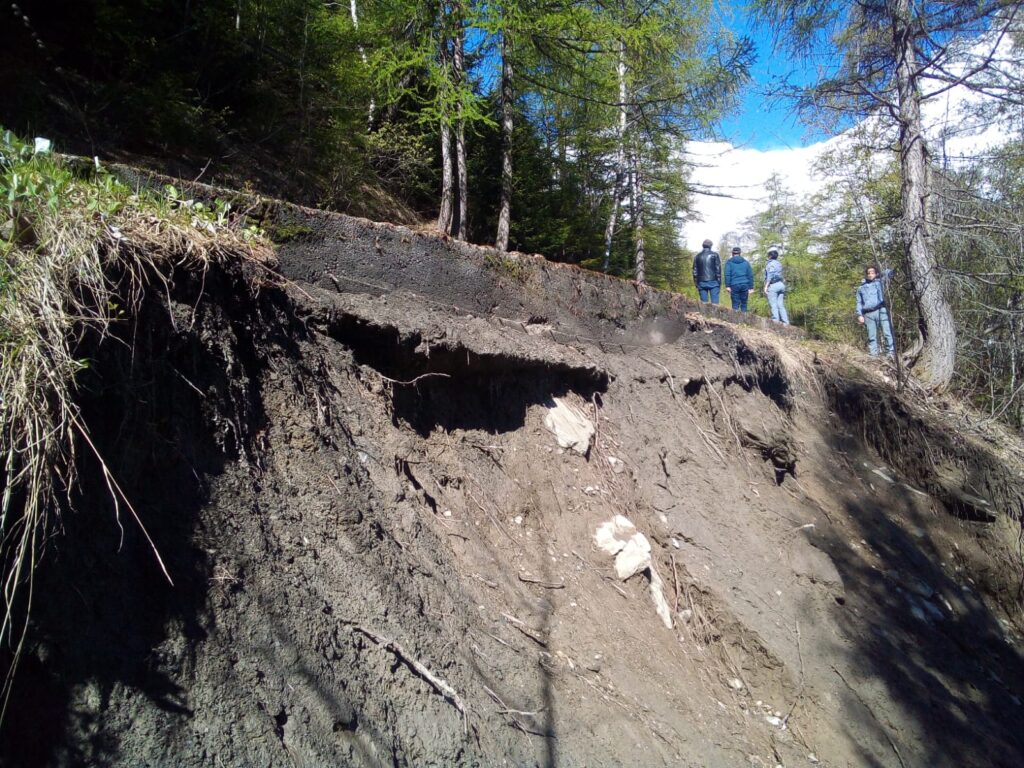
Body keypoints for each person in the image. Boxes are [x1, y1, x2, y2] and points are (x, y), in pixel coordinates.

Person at [856, 265, 895, 358]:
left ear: (876, 273)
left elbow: (890, 272)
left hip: (881, 310)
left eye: (872, 273)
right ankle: (874, 355)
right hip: (868, 313)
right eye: (868, 273)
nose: (870, 275)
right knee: (871, 336)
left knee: (887, 332)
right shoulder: (861, 288)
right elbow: (859, 302)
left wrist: (878, 275)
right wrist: (859, 315)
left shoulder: (879, 282)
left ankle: (890, 353)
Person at [762, 247, 789, 325]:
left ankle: (775, 322)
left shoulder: (770, 264)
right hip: (781, 284)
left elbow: (770, 275)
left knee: (773, 304)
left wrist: (766, 286)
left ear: (770, 255)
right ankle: (786, 322)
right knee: (781, 305)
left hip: (773, 285)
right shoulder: (779, 263)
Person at [724, 246, 754, 311]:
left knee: (735, 304)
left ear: (732, 253)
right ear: (740, 253)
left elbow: (727, 275)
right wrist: (751, 287)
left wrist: (727, 286)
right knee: (744, 304)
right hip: (745, 284)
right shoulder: (746, 262)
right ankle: (745, 320)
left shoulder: (729, 262)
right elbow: (750, 275)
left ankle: (735, 320)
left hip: (734, 285)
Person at [692, 238, 722, 304]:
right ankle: (714, 314)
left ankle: (704, 314)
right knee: (715, 305)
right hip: (713, 281)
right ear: (711, 246)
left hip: (701, 282)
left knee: (703, 304)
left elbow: (694, 271)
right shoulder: (715, 255)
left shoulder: (697, 256)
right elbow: (718, 270)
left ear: (703, 246)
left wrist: (696, 284)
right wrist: (719, 282)